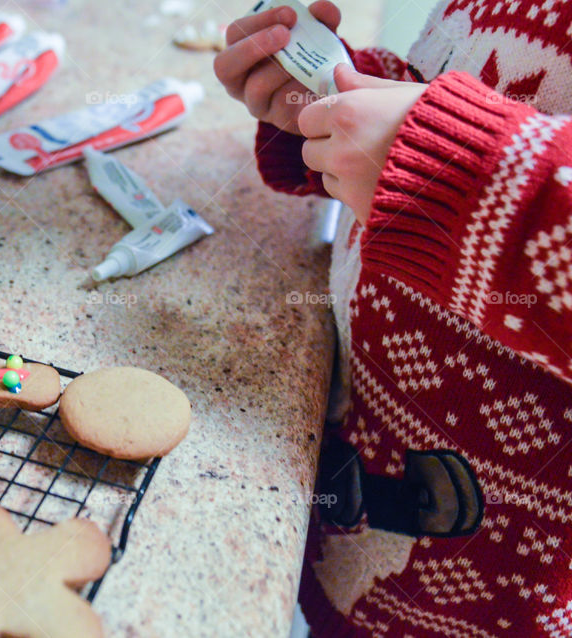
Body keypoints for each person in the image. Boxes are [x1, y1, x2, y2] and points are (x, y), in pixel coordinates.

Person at [215, 1, 572, 635]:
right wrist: (338, 100)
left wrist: (453, 171)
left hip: (491, 600)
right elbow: (481, 87)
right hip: (358, 530)